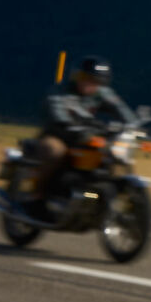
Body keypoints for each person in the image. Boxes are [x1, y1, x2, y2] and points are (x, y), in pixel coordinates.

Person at [24, 56, 136, 210]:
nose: (89, 83)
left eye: (97, 80)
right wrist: (67, 124)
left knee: (107, 157)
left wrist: (133, 126)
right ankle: (37, 196)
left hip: (86, 136)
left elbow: (121, 109)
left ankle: (93, 195)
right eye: (85, 77)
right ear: (76, 76)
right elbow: (57, 112)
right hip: (59, 135)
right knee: (55, 151)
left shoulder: (103, 93)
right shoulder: (59, 91)